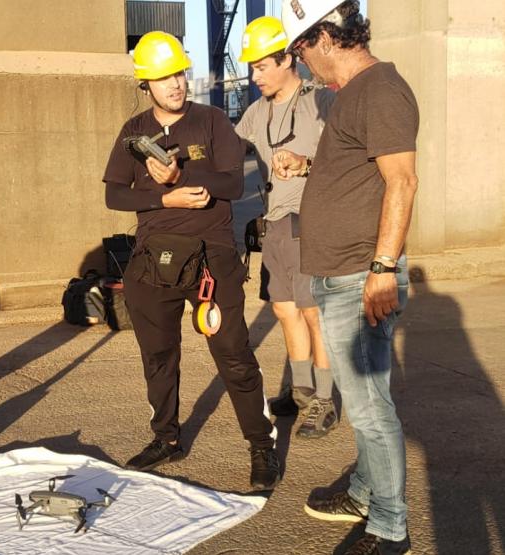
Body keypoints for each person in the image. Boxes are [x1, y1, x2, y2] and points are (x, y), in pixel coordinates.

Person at [103, 31, 280, 490]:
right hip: (153, 260)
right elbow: (114, 194)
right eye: (164, 78)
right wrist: (166, 197)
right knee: (158, 357)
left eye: (179, 73)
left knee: (233, 355)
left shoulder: (213, 121)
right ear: (147, 84)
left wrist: (183, 175)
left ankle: (261, 445)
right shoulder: (133, 131)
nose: (176, 84)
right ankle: (166, 438)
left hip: (212, 258)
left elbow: (233, 185)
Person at [272, 2, 419, 553]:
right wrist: (306, 166)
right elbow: (362, 170)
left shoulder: (380, 90)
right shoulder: (352, 97)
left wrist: (382, 270)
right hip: (342, 272)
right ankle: (364, 491)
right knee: (362, 403)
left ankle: (388, 525)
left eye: (301, 50)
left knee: (370, 408)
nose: (302, 63)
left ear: (326, 35)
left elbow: (402, 182)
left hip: (362, 275)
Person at [234, 16, 338, 439]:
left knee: (313, 312)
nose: (255, 76)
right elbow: (226, 150)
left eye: (261, 67)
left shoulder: (322, 102)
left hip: (312, 220)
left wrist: (306, 163)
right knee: (283, 308)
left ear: (288, 58)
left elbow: (350, 158)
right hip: (275, 221)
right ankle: (300, 391)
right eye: (252, 68)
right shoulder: (257, 111)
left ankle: (325, 400)